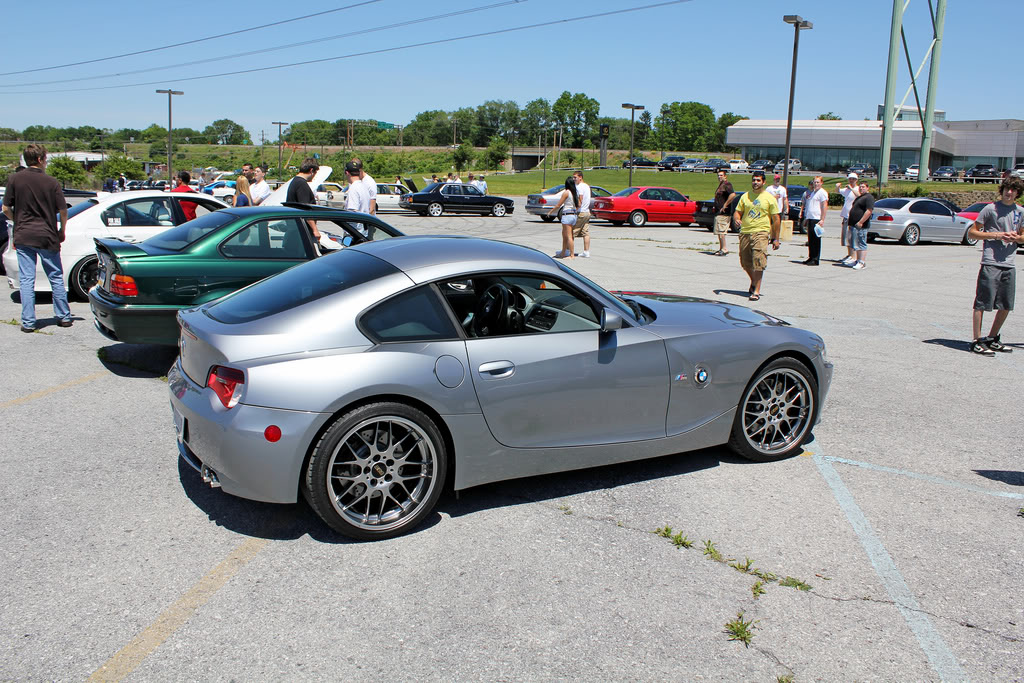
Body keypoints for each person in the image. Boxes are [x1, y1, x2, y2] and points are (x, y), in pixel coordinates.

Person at [2, 144, 72, 332]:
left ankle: (28, 322)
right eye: (46, 159)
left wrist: (18, 220)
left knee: (26, 279)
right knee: (55, 276)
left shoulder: (15, 179)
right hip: (47, 236)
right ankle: (64, 316)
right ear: (41, 159)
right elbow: (63, 210)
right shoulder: (51, 182)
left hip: (24, 235)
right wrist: (62, 230)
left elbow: (6, 208)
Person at [967, 176, 1024, 355]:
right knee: (982, 303)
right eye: (1007, 188)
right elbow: (973, 232)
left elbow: (1023, 236)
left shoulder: (1020, 212)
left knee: (1006, 304)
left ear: (1017, 193)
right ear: (1002, 190)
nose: (1009, 192)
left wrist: (1017, 238)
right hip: (990, 261)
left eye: (1013, 190)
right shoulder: (990, 209)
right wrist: (997, 235)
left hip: (1009, 263)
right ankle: (977, 340)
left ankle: (992, 338)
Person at [732, 170, 780, 301]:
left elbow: (776, 219)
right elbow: (737, 212)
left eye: (758, 180)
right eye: (754, 180)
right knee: (745, 262)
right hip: (745, 232)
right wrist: (737, 219)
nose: (755, 182)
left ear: (763, 182)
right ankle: (754, 281)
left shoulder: (769, 198)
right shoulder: (745, 196)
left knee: (758, 261)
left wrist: (776, 238)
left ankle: (756, 291)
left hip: (761, 232)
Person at [286, 158, 321, 239]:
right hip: (301, 231)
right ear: (311, 170)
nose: (315, 176)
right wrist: (315, 230)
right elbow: (305, 210)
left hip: (294, 229)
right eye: (315, 173)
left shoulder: (295, 181)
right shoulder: (302, 184)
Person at [547, 176, 579, 259]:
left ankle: (571, 255)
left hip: (567, 215)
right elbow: (578, 205)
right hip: (573, 215)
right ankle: (563, 252)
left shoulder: (566, 192)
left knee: (568, 236)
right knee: (565, 235)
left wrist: (550, 212)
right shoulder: (575, 192)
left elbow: (559, 204)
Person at [799, 176, 829, 265]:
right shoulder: (813, 193)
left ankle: (815, 259)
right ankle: (811, 257)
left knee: (816, 240)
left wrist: (822, 219)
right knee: (811, 240)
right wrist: (806, 218)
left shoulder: (822, 193)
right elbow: (809, 206)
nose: (816, 184)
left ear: (821, 183)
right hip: (811, 218)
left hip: (817, 219)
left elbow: (824, 206)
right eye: (814, 182)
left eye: (818, 182)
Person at [846, 180, 874, 270]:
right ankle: (857, 260)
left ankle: (862, 262)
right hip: (854, 225)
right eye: (860, 187)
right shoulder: (860, 197)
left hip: (861, 225)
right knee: (856, 243)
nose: (861, 188)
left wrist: (861, 221)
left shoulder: (869, 197)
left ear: (867, 188)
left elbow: (869, 211)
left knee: (861, 243)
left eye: (863, 187)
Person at [836, 173, 861, 265]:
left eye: (853, 179)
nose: (851, 180)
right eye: (850, 179)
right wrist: (838, 187)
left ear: (856, 180)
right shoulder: (846, 190)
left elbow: (859, 195)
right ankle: (849, 255)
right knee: (846, 236)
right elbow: (838, 191)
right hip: (846, 215)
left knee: (852, 237)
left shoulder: (857, 189)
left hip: (853, 216)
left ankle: (853, 256)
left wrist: (851, 189)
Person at [713, 170, 736, 256]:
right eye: (718, 176)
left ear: (725, 176)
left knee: (722, 232)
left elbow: (733, 194)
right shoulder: (721, 185)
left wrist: (725, 205)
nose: (719, 177)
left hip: (724, 213)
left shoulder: (727, 184)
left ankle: (725, 248)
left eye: (721, 175)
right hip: (718, 212)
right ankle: (721, 248)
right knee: (719, 231)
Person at [573, 170, 592, 258]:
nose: (574, 179)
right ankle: (586, 251)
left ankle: (569, 251)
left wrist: (576, 209)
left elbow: (580, 199)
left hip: (581, 212)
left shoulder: (579, 186)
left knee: (572, 232)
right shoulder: (587, 186)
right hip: (587, 212)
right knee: (585, 232)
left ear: (580, 177)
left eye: (575, 177)